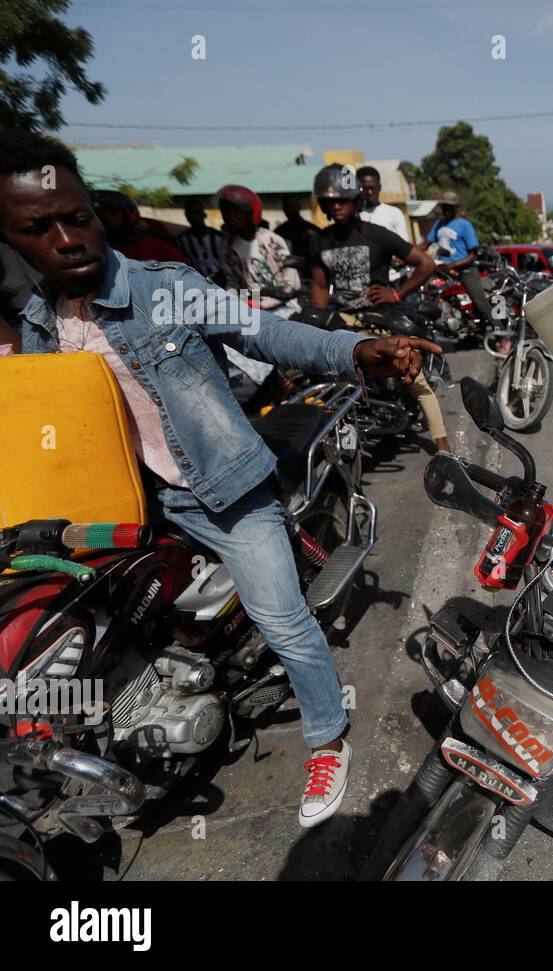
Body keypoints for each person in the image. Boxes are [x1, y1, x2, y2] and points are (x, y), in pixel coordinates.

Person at [0, 129, 441, 829]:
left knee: (282, 618)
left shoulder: (162, 289)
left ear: (94, 209)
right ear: (12, 240)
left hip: (216, 491)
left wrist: (357, 348)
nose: (67, 238)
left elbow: (265, 332)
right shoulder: (34, 326)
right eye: (37, 228)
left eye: (76, 216)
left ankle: (328, 738)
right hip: (122, 510)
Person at [309, 163, 451, 454]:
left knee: (413, 375)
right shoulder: (319, 241)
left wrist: (397, 294)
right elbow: (321, 289)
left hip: (381, 318)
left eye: (342, 200)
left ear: (355, 201)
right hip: (345, 318)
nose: (336, 206)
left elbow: (426, 264)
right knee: (327, 377)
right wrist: (314, 328)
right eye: (330, 201)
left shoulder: (378, 235)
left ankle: (443, 445)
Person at [217, 184, 300, 313]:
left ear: (250, 213)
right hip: (248, 307)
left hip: (281, 307)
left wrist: (264, 301)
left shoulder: (271, 240)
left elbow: (291, 285)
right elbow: (232, 281)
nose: (230, 217)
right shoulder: (226, 245)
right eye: (226, 211)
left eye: (236, 212)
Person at [420, 191, 495, 325]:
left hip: (464, 270)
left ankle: (501, 334)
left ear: (456, 208)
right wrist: (404, 252)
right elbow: (425, 244)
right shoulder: (439, 223)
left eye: (449, 207)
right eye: (444, 206)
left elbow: (473, 255)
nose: (446, 210)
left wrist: (453, 265)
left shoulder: (464, 225)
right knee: (426, 292)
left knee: (479, 301)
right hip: (443, 269)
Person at [91, 190, 188, 264]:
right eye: (99, 213)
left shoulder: (159, 248)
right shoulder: (95, 252)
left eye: (113, 213)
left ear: (130, 215)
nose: (105, 217)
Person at [356, 165, 411, 243]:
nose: (369, 192)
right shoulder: (354, 216)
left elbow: (404, 245)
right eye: (365, 189)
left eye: (372, 188)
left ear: (379, 187)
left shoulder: (394, 213)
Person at [177, 198, 225, 283]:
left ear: (204, 215)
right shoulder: (181, 240)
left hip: (221, 282)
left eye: (197, 213)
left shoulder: (219, 237)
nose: (193, 217)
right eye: (190, 213)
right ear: (186, 216)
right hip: (195, 283)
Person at [275, 194, 318, 262]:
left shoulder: (311, 229)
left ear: (299, 207)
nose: (288, 209)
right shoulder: (279, 231)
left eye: (291, 206)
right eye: (286, 206)